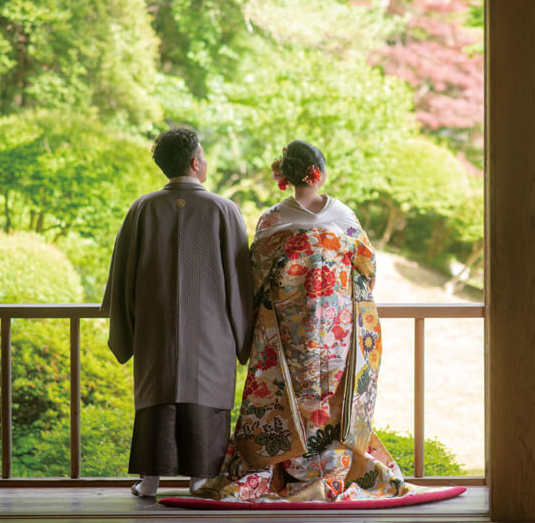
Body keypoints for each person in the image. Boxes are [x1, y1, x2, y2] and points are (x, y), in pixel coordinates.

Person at [200, 140, 415, 502]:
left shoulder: (273, 219)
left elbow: (255, 277)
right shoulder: (344, 217)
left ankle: (285, 468)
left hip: (288, 326)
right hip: (337, 328)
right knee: (330, 397)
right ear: (321, 172)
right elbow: (367, 270)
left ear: (283, 175)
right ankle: (332, 468)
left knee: (290, 395)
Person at [102, 128, 254, 498]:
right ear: (195, 162)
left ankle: (150, 480)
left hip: (156, 329)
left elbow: (122, 276)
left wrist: (128, 323)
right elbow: (240, 282)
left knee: (158, 394)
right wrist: (243, 334)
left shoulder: (142, 208)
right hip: (211, 329)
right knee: (205, 391)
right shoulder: (223, 209)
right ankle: (199, 479)